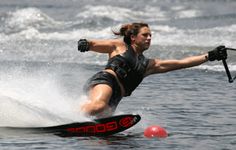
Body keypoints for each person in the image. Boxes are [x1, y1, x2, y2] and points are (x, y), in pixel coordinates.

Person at [77, 22, 227, 118]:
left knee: (100, 125)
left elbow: (182, 62)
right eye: (145, 35)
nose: (149, 38)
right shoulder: (119, 46)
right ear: (133, 37)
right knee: (99, 106)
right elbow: (93, 43)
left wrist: (210, 56)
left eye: (150, 35)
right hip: (106, 81)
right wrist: (86, 44)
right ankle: (67, 116)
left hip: (117, 96)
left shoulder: (149, 65)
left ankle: (75, 120)